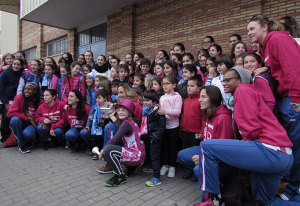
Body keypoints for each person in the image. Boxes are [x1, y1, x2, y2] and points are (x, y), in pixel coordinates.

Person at [199, 67, 295, 205]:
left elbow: (251, 129)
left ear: (240, 80)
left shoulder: (243, 89)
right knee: (262, 202)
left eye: (228, 80)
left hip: (270, 149)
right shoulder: (248, 91)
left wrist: (240, 154)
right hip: (282, 156)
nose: (224, 83)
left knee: (206, 147)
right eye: (223, 80)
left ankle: (213, 199)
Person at [248, 15, 300, 202]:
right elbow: (278, 69)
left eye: (252, 28)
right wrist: (267, 69)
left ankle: (295, 188)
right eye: (248, 30)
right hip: (285, 99)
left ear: (265, 27)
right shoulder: (266, 47)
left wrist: (297, 100)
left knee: (296, 144)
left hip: (293, 99)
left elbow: (295, 68)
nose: (249, 33)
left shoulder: (277, 38)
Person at [178, 85, 235, 185]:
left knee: (197, 169)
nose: (199, 100)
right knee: (182, 155)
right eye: (200, 96)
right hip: (208, 152)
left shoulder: (223, 119)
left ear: (213, 98)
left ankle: (214, 188)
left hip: (221, 160)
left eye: (203, 97)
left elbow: (223, 151)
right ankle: (207, 175)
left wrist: (202, 160)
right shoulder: (208, 113)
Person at [98, 99, 145, 187]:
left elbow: (114, 139)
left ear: (129, 112)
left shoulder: (126, 123)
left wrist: (103, 150)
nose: (120, 112)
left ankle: (120, 176)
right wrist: (112, 115)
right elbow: (119, 126)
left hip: (136, 155)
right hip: (138, 154)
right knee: (111, 148)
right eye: (118, 110)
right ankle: (131, 167)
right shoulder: (129, 122)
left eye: (123, 110)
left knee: (109, 149)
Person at [140, 90, 166, 186]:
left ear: (154, 101)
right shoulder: (146, 109)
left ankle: (157, 177)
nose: (145, 102)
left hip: (155, 137)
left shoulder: (157, 110)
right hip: (147, 135)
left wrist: (155, 137)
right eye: (144, 100)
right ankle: (151, 167)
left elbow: (162, 126)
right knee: (150, 154)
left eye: (147, 100)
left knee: (155, 156)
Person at [158, 75, 182, 178]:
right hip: (164, 126)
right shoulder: (162, 97)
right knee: (164, 147)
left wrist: (165, 111)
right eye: (163, 84)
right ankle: (165, 165)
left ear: (174, 85)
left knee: (172, 147)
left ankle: (172, 166)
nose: (164, 86)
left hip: (173, 127)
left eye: (167, 83)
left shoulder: (177, 97)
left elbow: (177, 112)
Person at [179, 76, 203, 180]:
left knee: (194, 153)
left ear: (198, 88)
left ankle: (195, 170)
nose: (189, 88)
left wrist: (201, 131)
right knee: (185, 150)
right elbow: (183, 115)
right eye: (188, 86)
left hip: (196, 133)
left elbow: (203, 118)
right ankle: (188, 169)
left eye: (192, 86)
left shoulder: (200, 101)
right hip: (185, 131)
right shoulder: (185, 100)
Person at [7, 82, 41, 153]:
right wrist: (26, 118)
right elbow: (10, 113)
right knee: (14, 120)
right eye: (25, 89)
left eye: (29, 89)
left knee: (28, 135)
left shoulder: (39, 101)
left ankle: (29, 142)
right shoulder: (19, 97)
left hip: (31, 124)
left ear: (34, 91)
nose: (26, 91)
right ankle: (21, 145)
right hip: (21, 122)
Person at [0, 58, 25, 142]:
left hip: (17, 100)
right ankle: (5, 138)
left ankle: (14, 138)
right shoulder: (5, 73)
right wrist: (6, 102)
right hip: (7, 100)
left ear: (21, 66)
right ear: (11, 64)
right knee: (6, 118)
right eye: (14, 64)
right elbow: (1, 89)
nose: (16, 66)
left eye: (18, 65)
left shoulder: (22, 75)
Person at [81, 89, 110, 159]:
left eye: (99, 98)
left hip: (103, 126)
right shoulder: (95, 106)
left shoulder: (107, 106)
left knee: (102, 138)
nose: (97, 100)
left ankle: (103, 152)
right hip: (95, 126)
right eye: (96, 98)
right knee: (94, 138)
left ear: (105, 98)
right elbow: (89, 116)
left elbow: (108, 117)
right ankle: (95, 152)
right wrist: (88, 125)